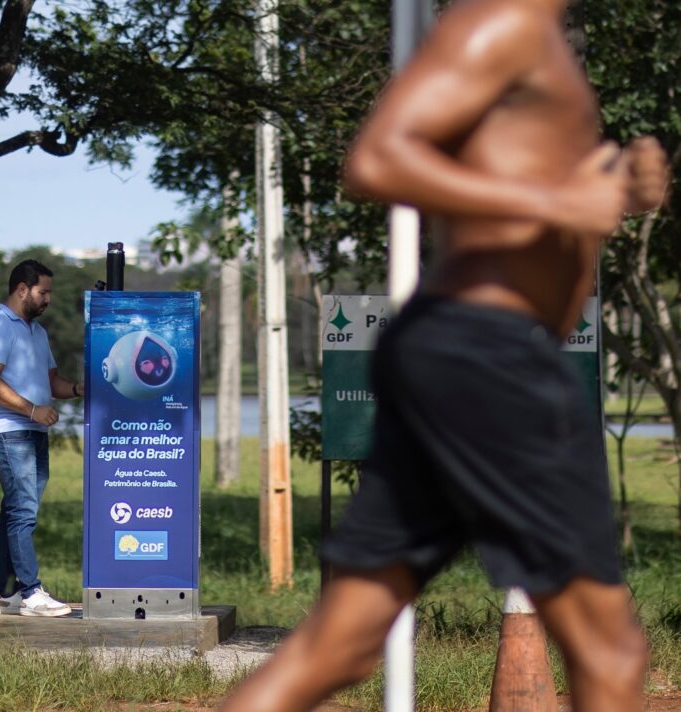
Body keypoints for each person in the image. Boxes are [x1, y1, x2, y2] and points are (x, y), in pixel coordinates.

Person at [220, 1, 669, 710]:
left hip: (467, 352)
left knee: (339, 645)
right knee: (608, 651)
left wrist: (619, 188)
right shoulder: (504, 21)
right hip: (491, 354)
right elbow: (379, 159)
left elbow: (540, 201)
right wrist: (555, 202)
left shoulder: (546, 40)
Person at [0, 259, 84, 617]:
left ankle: (8, 595)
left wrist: (79, 389)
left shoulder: (37, 332)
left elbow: (52, 383)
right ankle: (31, 593)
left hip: (33, 431)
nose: (48, 299)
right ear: (22, 289)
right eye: (43, 292)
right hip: (8, 431)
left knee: (14, 510)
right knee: (23, 509)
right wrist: (32, 410)